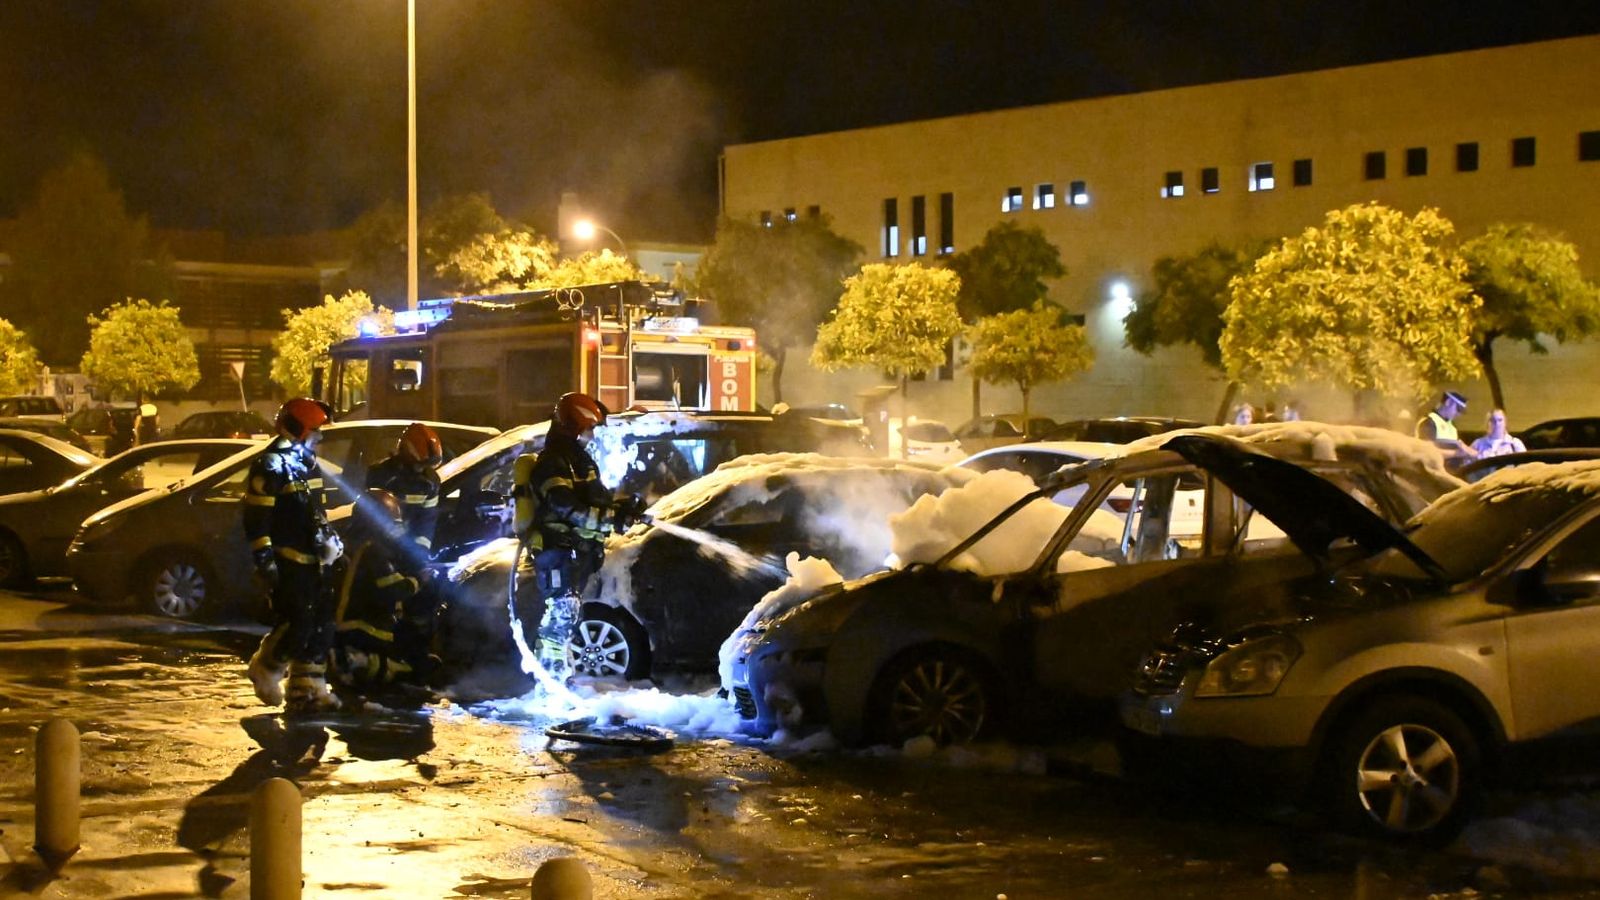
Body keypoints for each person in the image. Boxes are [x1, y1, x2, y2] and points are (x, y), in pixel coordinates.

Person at [511, 393, 645, 675]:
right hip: (557, 549)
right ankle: (550, 683)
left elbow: (592, 499)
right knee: (561, 615)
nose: (592, 434)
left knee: (568, 614)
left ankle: (555, 677)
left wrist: (623, 507)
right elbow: (565, 506)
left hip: (575, 551)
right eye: (589, 428)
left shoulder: (578, 459)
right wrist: (610, 519)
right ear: (573, 425)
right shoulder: (553, 461)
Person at [245, 397, 344, 715]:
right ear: (297, 428)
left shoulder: (304, 463)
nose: (319, 439)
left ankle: (308, 689)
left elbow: (314, 512)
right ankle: (267, 668)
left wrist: (330, 541)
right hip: (289, 559)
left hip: (315, 559)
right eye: (316, 432)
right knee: (298, 621)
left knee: (322, 623)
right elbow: (257, 518)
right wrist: (265, 561)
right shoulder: (271, 464)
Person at [331, 489, 440, 694]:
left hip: (350, 627)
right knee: (419, 664)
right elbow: (393, 590)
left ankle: (358, 661)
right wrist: (419, 580)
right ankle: (363, 664)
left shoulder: (358, 545)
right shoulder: (375, 551)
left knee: (411, 644)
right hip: (366, 630)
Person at [365, 421, 443, 567]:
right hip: (382, 550)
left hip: (408, 548)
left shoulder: (431, 481)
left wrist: (420, 552)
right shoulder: (382, 475)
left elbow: (427, 519)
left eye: (427, 465)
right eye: (421, 464)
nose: (422, 470)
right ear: (408, 453)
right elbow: (376, 518)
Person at [1415, 390, 1477, 460]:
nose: (1459, 414)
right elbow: (1427, 452)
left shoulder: (1452, 426)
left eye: (1461, 412)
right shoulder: (1428, 422)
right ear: (1448, 402)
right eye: (1458, 409)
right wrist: (1456, 454)